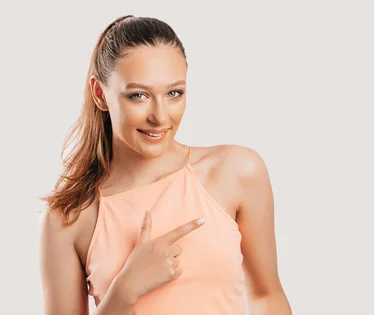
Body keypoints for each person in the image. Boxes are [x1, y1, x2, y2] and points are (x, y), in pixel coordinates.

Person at [39, 15, 292, 315]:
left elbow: (266, 295)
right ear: (100, 94)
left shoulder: (237, 172)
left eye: (174, 93)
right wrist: (125, 290)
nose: (160, 116)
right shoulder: (69, 218)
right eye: (139, 96)